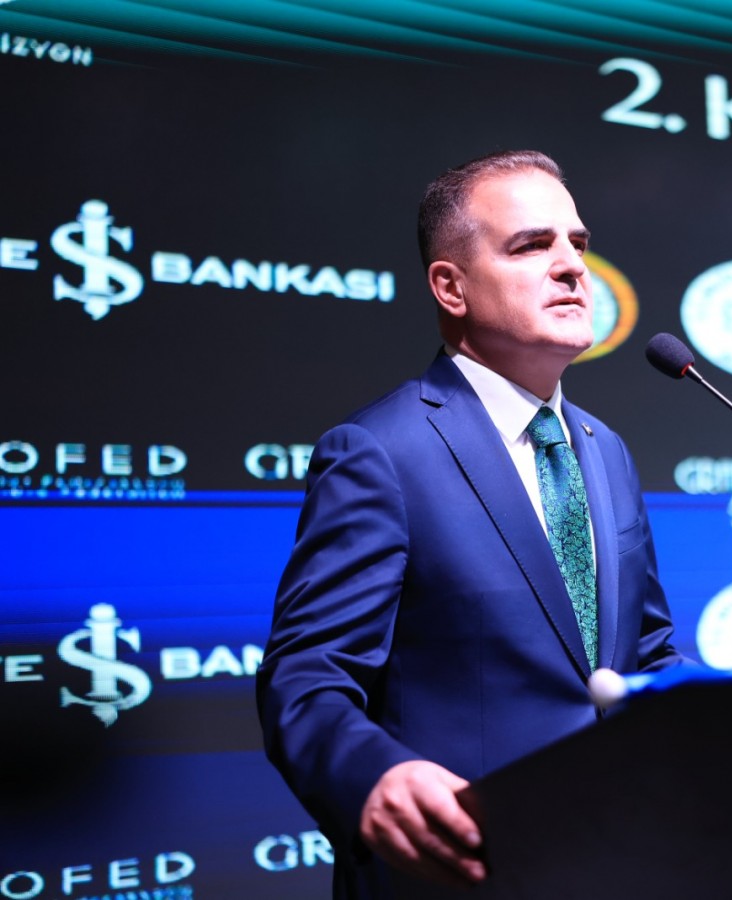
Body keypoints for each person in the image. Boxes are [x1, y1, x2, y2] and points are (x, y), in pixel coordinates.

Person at [256, 149, 685, 898]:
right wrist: (375, 777)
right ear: (450, 287)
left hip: (616, 858)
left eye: (577, 243)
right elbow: (307, 676)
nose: (572, 266)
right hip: (464, 870)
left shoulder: (604, 447)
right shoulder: (381, 452)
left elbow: (644, 651)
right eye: (531, 245)